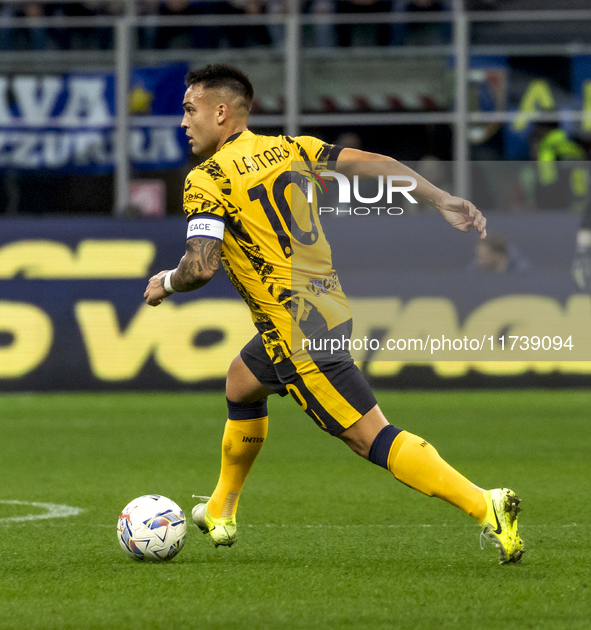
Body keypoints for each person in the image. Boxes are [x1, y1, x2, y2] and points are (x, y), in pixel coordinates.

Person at [143, 63, 525, 565]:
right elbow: (371, 162)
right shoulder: (291, 149)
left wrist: (166, 283)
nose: (183, 121)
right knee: (241, 382)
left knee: (369, 436)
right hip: (326, 309)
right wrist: (439, 197)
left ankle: (485, 505)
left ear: (221, 112)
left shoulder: (206, 179)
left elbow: (201, 266)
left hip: (293, 331)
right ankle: (220, 508)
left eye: (190, 110)